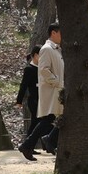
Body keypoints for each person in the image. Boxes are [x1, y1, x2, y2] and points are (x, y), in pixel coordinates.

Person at [18, 24, 63, 160]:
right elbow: (43, 70)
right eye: (61, 32)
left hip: (58, 90)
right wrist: (57, 82)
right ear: (53, 33)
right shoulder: (46, 49)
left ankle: (42, 141)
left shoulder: (57, 49)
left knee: (55, 118)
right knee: (50, 118)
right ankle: (41, 141)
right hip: (52, 91)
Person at [15, 45, 41, 142]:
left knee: (42, 122)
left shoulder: (42, 68)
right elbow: (23, 85)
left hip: (42, 99)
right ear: (35, 55)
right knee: (35, 122)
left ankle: (36, 144)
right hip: (34, 99)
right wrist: (19, 101)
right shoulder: (29, 69)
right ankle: (28, 144)